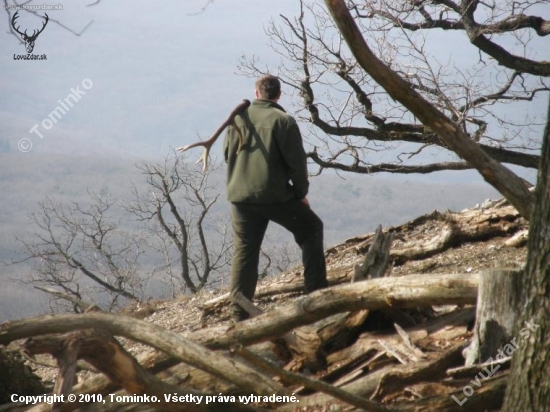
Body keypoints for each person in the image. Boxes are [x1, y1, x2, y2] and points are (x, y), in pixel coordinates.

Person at [223, 74, 328, 322]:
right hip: (275, 197)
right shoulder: (284, 121)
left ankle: (239, 313)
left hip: (240, 197)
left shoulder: (237, 117)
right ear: (279, 95)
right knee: (312, 228)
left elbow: (228, 154)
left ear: (257, 93)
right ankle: (317, 297)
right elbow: (297, 164)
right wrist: (300, 194)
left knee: (245, 253)